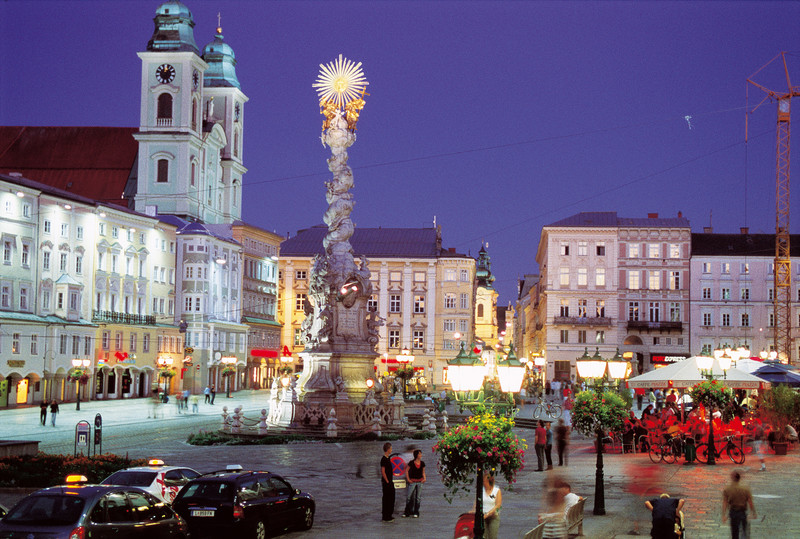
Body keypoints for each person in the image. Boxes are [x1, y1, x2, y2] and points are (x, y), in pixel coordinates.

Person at [722, 470, 756, 539]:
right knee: (744, 531)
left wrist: (724, 515)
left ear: (732, 478)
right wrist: (753, 512)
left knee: (734, 532)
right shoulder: (745, 489)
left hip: (733, 512)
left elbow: (725, 503)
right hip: (742, 512)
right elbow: (750, 502)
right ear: (739, 478)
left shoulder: (727, 489)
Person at [470, 471, 501, 539]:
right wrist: (472, 511)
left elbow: (498, 505)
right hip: (482, 516)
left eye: (484, 481)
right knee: (483, 536)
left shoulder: (496, 490)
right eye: (483, 481)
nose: (483, 483)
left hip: (493, 516)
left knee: (492, 536)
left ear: (489, 481)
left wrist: (488, 514)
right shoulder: (481, 490)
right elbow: (476, 502)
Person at [403, 449, 426, 517]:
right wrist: (408, 479)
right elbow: (406, 471)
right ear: (416, 455)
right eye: (420, 454)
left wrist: (424, 478)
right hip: (412, 481)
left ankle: (416, 512)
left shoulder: (422, 463)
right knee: (409, 497)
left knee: (418, 498)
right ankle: (407, 512)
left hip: (420, 481)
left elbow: (423, 472)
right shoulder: (411, 463)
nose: (421, 455)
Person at [380, 442, 395, 522]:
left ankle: (389, 514)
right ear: (388, 449)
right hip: (387, 482)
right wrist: (387, 481)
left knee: (391, 498)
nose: (391, 450)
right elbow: (383, 471)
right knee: (386, 498)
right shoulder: (383, 459)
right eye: (391, 448)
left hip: (390, 481)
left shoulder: (388, 458)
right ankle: (386, 516)